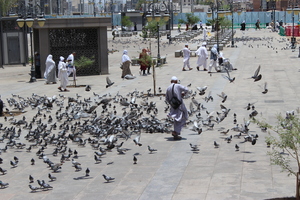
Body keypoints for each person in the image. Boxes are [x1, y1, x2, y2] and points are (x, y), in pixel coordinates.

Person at [165, 76, 189, 140]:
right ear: (176, 81)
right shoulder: (178, 86)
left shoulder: (168, 88)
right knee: (183, 116)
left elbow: (167, 98)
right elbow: (186, 89)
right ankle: (176, 132)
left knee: (177, 118)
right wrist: (183, 94)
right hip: (180, 104)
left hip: (173, 105)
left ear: (171, 81)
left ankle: (176, 132)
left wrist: (172, 103)